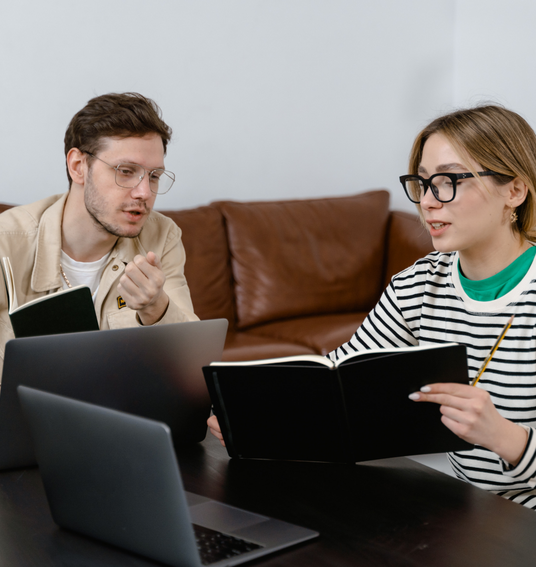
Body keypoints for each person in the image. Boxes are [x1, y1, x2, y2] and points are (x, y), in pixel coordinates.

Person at [208, 104, 536, 509]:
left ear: (515, 191)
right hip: (470, 511)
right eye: (422, 183)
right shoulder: (418, 283)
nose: (429, 202)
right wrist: (256, 413)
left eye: (449, 181)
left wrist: (505, 437)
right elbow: (335, 378)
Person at [0, 92, 198, 424]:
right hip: (16, 436)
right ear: (78, 166)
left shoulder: (161, 237)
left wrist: (156, 308)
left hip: (121, 432)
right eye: (126, 171)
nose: (144, 193)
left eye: (153, 176)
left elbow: (192, 363)